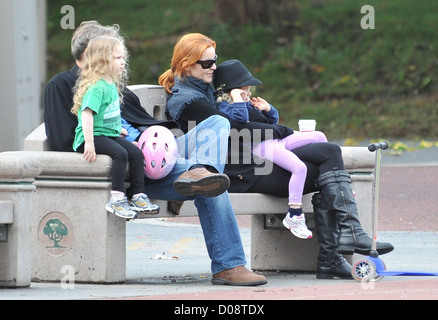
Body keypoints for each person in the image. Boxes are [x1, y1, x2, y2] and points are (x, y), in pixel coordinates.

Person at [44, 21, 266, 286]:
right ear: (95, 53)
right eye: (116, 54)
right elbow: (63, 140)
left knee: (217, 124)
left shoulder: (115, 86)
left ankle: (199, 170)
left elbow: (147, 124)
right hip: (136, 163)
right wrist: (118, 144)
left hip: (162, 149)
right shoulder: (64, 85)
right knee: (212, 186)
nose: (121, 59)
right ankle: (229, 265)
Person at [160, 32, 394, 280]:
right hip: (237, 171)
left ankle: (349, 235)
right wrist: (283, 131)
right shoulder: (189, 100)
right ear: (187, 64)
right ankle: (333, 254)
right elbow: (236, 130)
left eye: (214, 60)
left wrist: (264, 113)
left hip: (253, 159)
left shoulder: (206, 88)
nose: (214, 67)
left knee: (329, 152)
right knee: (322, 171)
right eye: (207, 63)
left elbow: (245, 123)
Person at [214, 59, 329, 240]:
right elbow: (240, 121)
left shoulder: (245, 104)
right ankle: (294, 213)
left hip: (275, 140)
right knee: (299, 168)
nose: (249, 93)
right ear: (231, 90)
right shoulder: (224, 108)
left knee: (319, 137)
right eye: (245, 89)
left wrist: (268, 109)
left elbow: (271, 123)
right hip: (260, 146)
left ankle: (331, 183)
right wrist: (237, 98)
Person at [71, 35, 159, 219]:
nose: (123, 62)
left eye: (123, 58)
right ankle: (117, 199)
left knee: (136, 153)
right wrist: (89, 142)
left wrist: (117, 129)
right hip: (91, 136)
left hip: (106, 133)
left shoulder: (111, 84)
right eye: (118, 58)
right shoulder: (97, 87)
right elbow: (86, 114)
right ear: (102, 60)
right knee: (121, 154)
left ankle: (137, 195)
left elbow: (106, 113)